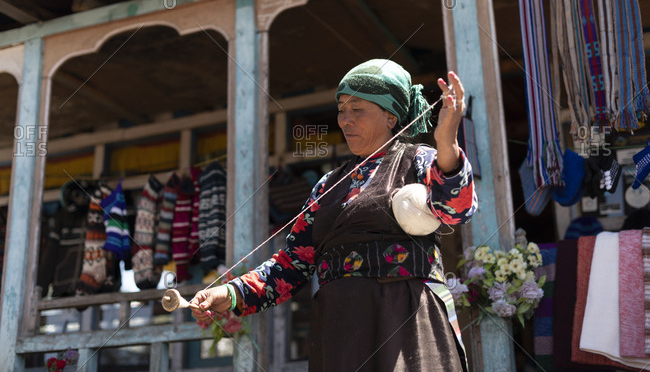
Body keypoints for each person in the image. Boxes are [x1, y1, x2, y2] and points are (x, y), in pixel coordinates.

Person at [191, 59, 478, 372]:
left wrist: (446, 142)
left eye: (358, 110)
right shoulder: (328, 186)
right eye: (342, 109)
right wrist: (231, 293)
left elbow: (457, 210)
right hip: (341, 329)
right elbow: (292, 265)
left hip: (405, 319)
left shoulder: (419, 161)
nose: (345, 120)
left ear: (390, 116)